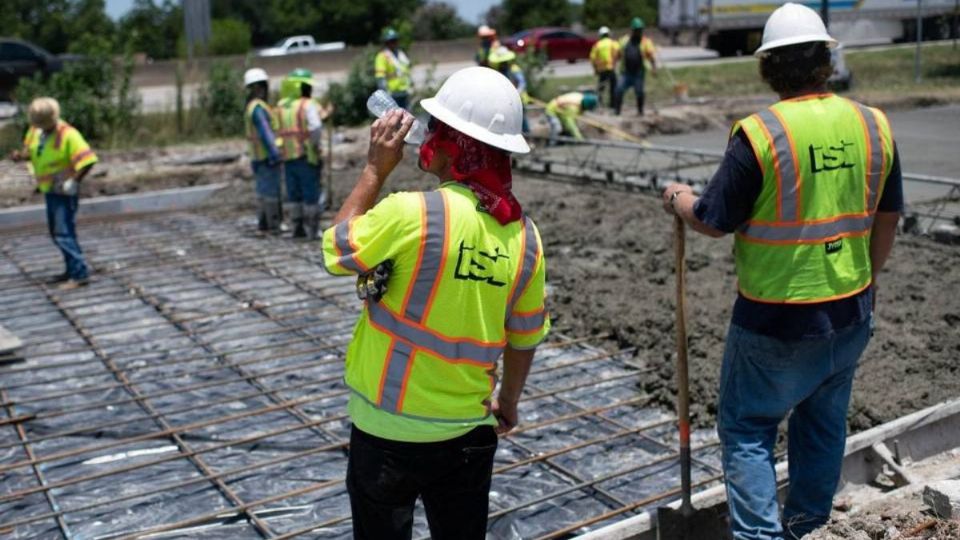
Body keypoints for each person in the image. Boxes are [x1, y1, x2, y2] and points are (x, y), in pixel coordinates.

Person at [660, 4, 902, 538]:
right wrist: (868, 280)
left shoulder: (761, 134)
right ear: (825, 61)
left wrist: (678, 198)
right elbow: (888, 218)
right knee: (822, 423)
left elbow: (713, 219)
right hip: (851, 311)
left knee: (747, 428)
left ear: (768, 67)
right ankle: (808, 527)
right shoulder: (872, 123)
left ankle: (760, 536)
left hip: (775, 321)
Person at [322, 66, 549, 539]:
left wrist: (373, 170)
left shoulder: (412, 212)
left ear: (451, 144)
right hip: (468, 433)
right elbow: (525, 335)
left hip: (386, 431)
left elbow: (336, 249)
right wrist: (507, 402)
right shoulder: (525, 237)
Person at [9, 97, 98, 290]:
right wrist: (20, 156)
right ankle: (71, 270)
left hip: (64, 190)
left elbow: (89, 159)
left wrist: (75, 181)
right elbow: (32, 151)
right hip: (50, 189)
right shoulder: (36, 131)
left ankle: (79, 274)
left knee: (63, 232)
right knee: (57, 231)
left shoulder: (68, 135)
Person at [276, 68, 329, 239]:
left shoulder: (282, 106)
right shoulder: (307, 105)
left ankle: (297, 228)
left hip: (287, 157)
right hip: (306, 156)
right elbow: (315, 127)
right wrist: (314, 144)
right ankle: (312, 230)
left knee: (294, 193)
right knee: (310, 193)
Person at [243, 68, 283, 234]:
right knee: (270, 192)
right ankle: (272, 225)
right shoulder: (259, 108)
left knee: (262, 191)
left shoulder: (251, 107)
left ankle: (264, 223)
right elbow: (266, 133)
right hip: (266, 158)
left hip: (257, 157)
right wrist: (275, 154)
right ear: (260, 87)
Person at [614, 17, 657, 116]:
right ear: (632, 30)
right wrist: (613, 65)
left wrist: (654, 68)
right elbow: (617, 54)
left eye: (640, 30)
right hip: (626, 72)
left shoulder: (645, 42)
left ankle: (640, 111)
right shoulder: (624, 40)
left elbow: (651, 56)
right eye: (636, 30)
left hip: (639, 72)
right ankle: (617, 111)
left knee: (639, 92)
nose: (638, 32)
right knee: (619, 89)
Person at [489, 46, 530, 134]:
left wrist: (516, 93)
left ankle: (527, 136)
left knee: (521, 119)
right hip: (506, 100)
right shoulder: (499, 70)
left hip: (519, 99)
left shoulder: (514, 69)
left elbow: (522, 83)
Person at [374, 28, 413, 110]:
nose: (393, 43)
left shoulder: (401, 55)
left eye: (395, 40)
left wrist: (411, 85)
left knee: (406, 117)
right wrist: (384, 94)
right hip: (391, 93)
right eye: (390, 41)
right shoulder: (382, 56)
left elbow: (406, 71)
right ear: (386, 43)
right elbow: (380, 77)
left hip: (404, 91)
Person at [589, 26, 620, 108]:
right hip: (611, 68)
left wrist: (595, 69)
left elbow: (592, 58)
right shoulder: (613, 43)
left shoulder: (597, 45)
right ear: (608, 34)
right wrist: (615, 62)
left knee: (601, 87)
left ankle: (599, 103)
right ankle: (613, 104)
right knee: (613, 87)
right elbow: (618, 52)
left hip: (601, 69)